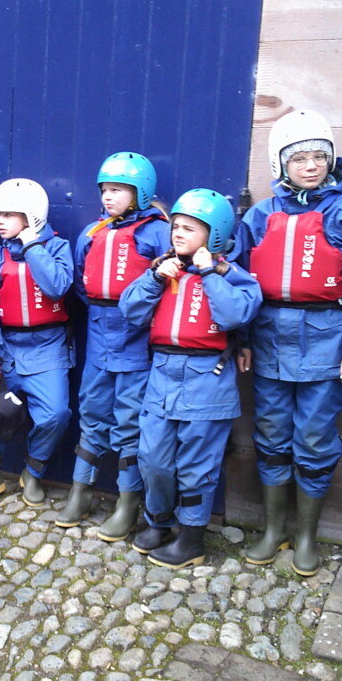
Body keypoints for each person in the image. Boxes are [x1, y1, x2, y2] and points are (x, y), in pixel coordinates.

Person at [235, 110, 342, 575]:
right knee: (271, 433)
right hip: (268, 341)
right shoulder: (260, 215)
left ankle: (305, 537)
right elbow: (239, 280)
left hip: (327, 343)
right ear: (281, 164)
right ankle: (273, 530)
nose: (311, 165)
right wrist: (242, 339)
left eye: (320, 156)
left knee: (315, 437)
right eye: (299, 158)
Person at [119, 190, 261, 567]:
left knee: (197, 465)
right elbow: (130, 310)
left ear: (214, 235)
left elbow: (235, 315)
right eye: (176, 227)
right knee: (152, 457)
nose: (179, 233)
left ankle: (191, 538)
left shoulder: (233, 275)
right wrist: (154, 278)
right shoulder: (163, 269)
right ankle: (158, 522)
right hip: (162, 375)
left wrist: (209, 272)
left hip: (207, 379)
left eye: (190, 228)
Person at [56, 152, 171, 541]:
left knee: (129, 423)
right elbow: (81, 284)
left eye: (118, 189)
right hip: (99, 338)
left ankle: (127, 503)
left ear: (140, 192)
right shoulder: (92, 233)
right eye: (105, 189)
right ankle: (80, 492)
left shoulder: (158, 233)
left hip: (137, 344)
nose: (108, 196)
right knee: (92, 414)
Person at [0, 179, 73, 505]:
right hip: (6, 348)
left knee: (55, 414)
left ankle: (33, 472)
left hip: (47, 348)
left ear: (32, 216)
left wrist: (32, 246)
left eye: (10, 214)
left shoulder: (57, 248)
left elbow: (57, 286)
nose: (1, 221)